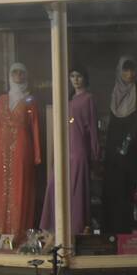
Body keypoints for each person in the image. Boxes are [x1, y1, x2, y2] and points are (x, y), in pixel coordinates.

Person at [40, 66, 100, 234]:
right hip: (64, 149)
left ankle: (75, 230)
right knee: (54, 185)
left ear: (84, 78)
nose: (75, 80)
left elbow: (93, 128)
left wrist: (95, 153)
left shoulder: (88, 99)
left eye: (78, 76)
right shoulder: (68, 99)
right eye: (72, 76)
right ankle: (55, 229)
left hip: (79, 149)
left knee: (76, 190)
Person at [0, 62, 41, 238]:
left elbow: (35, 127)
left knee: (20, 186)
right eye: (15, 73)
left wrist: (37, 153)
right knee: (1, 188)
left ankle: (18, 233)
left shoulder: (30, 100)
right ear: (10, 76)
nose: (18, 76)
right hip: (1, 149)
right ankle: (1, 233)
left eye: (21, 73)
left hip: (21, 146)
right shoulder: (1, 100)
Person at [102, 56, 137, 234]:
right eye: (125, 70)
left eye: (132, 69)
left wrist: (127, 143)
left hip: (130, 148)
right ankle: (111, 230)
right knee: (113, 188)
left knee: (128, 188)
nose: (129, 74)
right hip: (113, 148)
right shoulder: (114, 89)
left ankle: (127, 231)